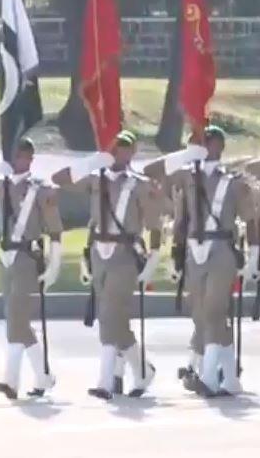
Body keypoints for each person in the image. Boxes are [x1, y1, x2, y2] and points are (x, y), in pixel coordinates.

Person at [145, 125, 258, 398]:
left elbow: (251, 219)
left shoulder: (233, 181)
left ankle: (209, 377)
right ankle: (230, 379)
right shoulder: (186, 176)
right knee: (200, 314)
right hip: (194, 251)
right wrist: (184, 155)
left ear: (221, 147)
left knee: (213, 311)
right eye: (202, 143)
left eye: (212, 143)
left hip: (222, 249)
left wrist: (254, 255)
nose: (207, 147)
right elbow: (151, 172)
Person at [52, 130, 162, 400]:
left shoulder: (140, 185)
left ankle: (105, 381)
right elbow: (59, 179)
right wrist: (91, 161)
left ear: (133, 153)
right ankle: (143, 371)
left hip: (125, 253)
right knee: (111, 318)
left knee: (112, 314)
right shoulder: (96, 179)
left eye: (125, 148)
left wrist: (154, 261)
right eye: (115, 148)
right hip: (99, 254)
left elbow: (154, 225)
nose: (119, 153)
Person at [0, 138, 63, 400]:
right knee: (16, 321)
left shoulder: (41, 189)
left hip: (28, 256)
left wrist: (54, 265)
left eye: (23, 156)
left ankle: (11, 381)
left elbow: (56, 231)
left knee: (17, 317)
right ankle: (43, 376)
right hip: (5, 256)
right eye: (15, 156)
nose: (19, 160)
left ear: (31, 159)